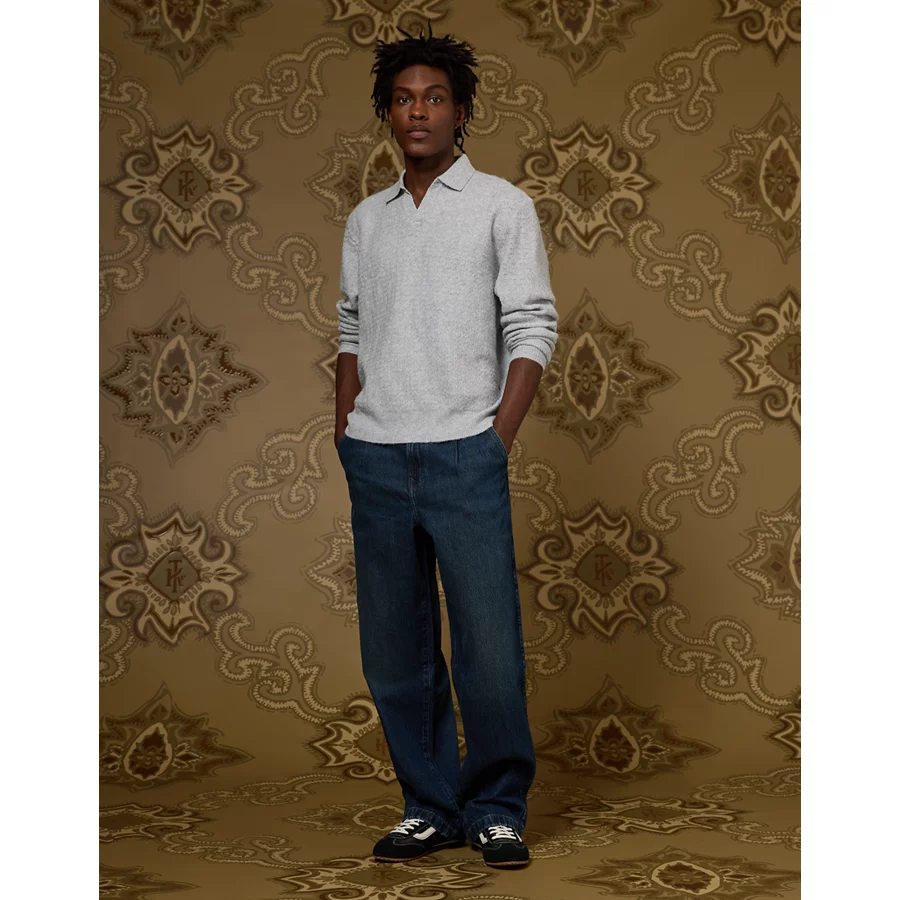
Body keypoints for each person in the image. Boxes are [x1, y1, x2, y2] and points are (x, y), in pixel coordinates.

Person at [334, 22, 558, 870]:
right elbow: (351, 328)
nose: (419, 111)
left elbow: (532, 323)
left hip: (466, 451)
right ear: (387, 114)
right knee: (396, 653)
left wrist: (496, 437)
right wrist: (347, 427)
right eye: (403, 99)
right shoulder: (368, 220)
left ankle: (496, 807)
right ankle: (429, 807)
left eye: (434, 98)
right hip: (377, 456)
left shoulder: (502, 205)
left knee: (489, 649)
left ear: (460, 112)